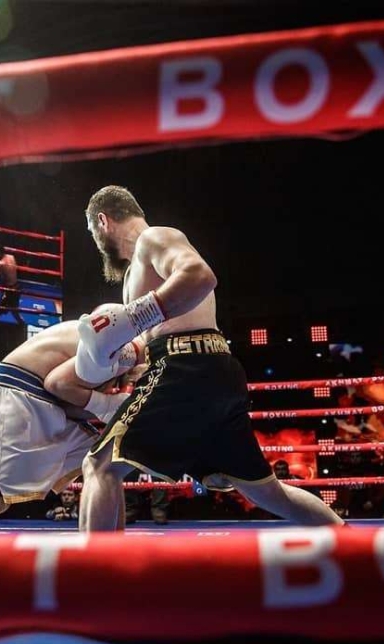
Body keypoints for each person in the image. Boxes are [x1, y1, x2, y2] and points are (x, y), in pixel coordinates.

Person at [67, 185, 344, 532]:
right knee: (268, 493)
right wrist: (123, 355)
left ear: (102, 221)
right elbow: (157, 331)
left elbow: (200, 276)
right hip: (211, 369)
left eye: (92, 231)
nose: (95, 242)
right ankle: (352, 544)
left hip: (186, 368)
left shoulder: (154, 238)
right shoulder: (135, 272)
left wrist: (134, 318)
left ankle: (92, 567)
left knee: (99, 466)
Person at [0, 319, 141, 533]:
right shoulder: (113, 352)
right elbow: (57, 385)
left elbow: (67, 402)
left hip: (43, 401)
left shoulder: (114, 343)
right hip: (19, 396)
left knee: (108, 464)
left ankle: (108, 550)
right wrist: (109, 406)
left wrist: (109, 408)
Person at [0, 244, 23, 324]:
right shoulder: (11, 257)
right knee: (14, 311)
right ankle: (22, 325)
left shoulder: (0, 264)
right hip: (17, 287)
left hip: (10, 291)